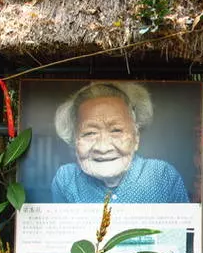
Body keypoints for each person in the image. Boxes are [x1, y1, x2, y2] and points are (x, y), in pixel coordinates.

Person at [51, 82, 189, 203]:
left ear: (136, 138)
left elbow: (182, 231)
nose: (103, 148)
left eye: (116, 131)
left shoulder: (161, 176)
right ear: (75, 141)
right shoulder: (67, 179)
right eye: (90, 133)